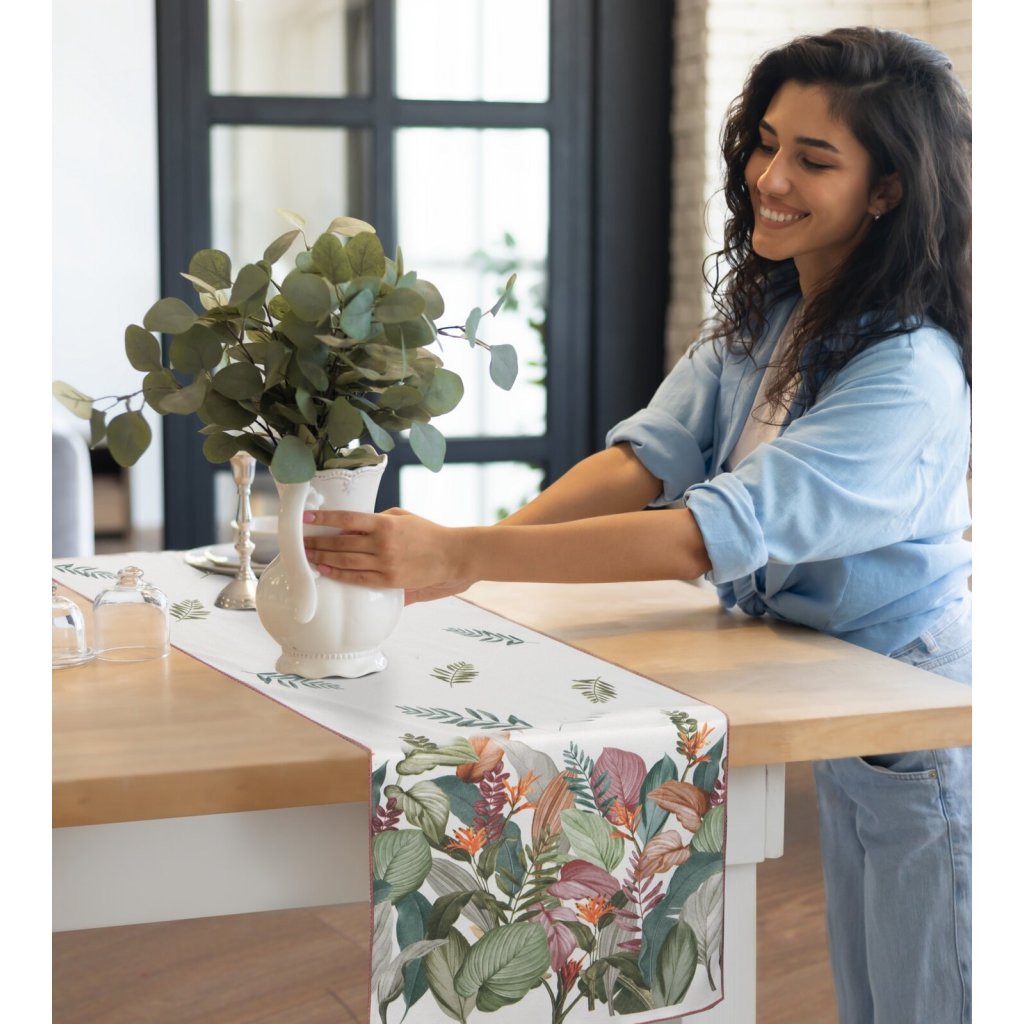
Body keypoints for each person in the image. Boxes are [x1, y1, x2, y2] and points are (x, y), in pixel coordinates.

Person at [304, 27, 972, 1024]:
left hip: (915, 705)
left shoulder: (909, 374)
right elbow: (645, 459)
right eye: (766, 142)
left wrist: (467, 552)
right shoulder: (774, 313)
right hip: (839, 691)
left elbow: (704, 534)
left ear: (887, 190)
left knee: (935, 998)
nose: (769, 177)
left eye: (812, 158)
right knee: (872, 997)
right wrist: (470, 567)